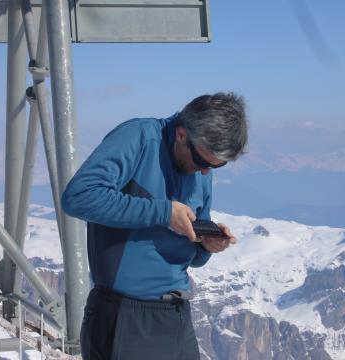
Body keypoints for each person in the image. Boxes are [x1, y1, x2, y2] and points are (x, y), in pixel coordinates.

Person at [61, 92, 248, 360]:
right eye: (203, 161)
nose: (206, 172)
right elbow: (78, 197)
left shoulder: (201, 172)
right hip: (124, 316)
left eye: (216, 166)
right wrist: (162, 212)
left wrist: (206, 245)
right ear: (182, 134)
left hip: (176, 316)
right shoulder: (138, 138)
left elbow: (191, 253)